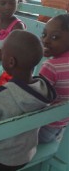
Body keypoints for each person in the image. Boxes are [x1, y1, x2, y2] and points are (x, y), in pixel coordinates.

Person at [0, 30, 56, 170]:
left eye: (3, 53)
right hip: (27, 153)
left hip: (0, 160)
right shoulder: (44, 90)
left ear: (11, 62)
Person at [39, 14, 69, 143]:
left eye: (54, 37)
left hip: (43, 129)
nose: (45, 41)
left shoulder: (51, 67)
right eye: (44, 34)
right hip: (62, 126)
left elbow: (35, 101)